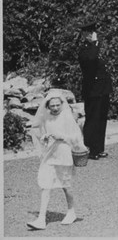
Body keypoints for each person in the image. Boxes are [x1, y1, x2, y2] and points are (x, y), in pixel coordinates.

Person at [27, 90, 86, 230]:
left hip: (64, 153)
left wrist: (61, 136)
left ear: (61, 104)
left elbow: (76, 137)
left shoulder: (67, 116)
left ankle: (71, 211)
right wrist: (45, 138)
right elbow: (41, 133)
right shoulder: (46, 118)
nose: (54, 108)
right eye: (52, 105)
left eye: (57, 105)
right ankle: (41, 218)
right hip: (50, 153)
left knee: (65, 185)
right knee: (45, 185)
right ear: (47, 105)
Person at [78, 22, 112, 160]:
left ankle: (99, 148)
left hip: (102, 89)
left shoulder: (95, 48)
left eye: (92, 32)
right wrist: (95, 43)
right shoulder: (85, 49)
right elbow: (91, 59)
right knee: (92, 119)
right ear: (84, 35)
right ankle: (90, 149)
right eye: (88, 33)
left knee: (102, 119)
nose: (91, 35)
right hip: (92, 89)